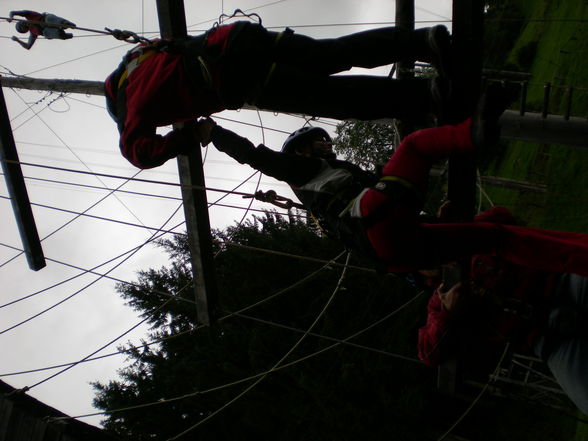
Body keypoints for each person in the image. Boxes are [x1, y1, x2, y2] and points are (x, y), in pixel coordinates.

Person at [194, 85, 588, 279]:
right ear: (302, 151)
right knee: (415, 147)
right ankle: (475, 133)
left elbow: (391, 194)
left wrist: (435, 218)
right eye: (319, 143)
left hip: (394, 249)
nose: (327, 147)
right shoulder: (301, 171)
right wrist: (215, 133)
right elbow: (256, 156)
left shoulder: (341, 179)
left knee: (496, 232)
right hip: (373, 222)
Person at [103, 21, 452, 169]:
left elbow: (139, 154)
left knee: (334, 98)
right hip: (237, 38)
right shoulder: (139, 56)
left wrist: (189, 136)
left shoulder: (129, 110)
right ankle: (425, 42)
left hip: (236, 75)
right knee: (333, 53)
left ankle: (427, 96)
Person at [417, 207, 588, 415]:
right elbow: (428, 354)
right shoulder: (440, 299)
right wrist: (448, 314)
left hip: (563, 285)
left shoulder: (468, 239)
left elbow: (504, 216)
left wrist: (458, 228)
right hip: (546, 340)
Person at [8, 10, 76, 50]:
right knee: (46, 33)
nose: (25, 24)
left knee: (49, 19)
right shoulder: (33, 33)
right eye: (24, 26)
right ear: (26, 30)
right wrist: (17, 40)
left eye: (23, 23)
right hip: (49, 31)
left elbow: (12, 12)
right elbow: (28, 46)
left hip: (48, 19)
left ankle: (65, 24)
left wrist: (11, 18)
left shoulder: (29, 16)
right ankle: (63, 35)